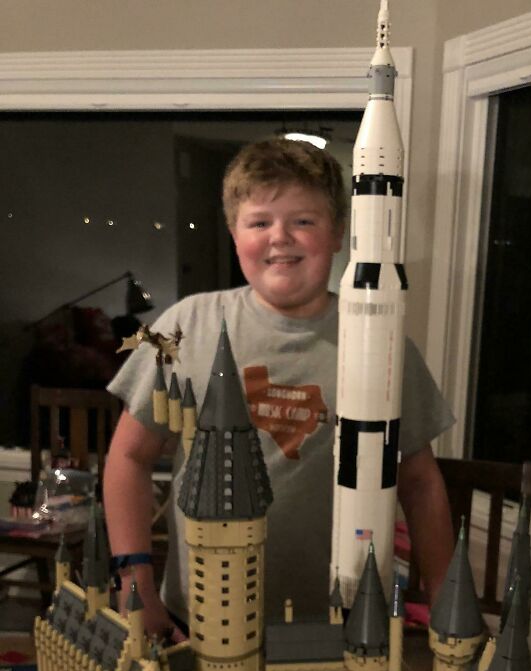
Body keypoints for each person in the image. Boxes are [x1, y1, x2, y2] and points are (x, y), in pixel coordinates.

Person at [104, 138, 455, 639]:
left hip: (340, 624)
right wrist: (134, 581)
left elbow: (420, 483)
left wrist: (446, 597)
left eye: (304, 221)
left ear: (337, 234)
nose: (280, 238)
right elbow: (129, 459)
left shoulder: (383, 342)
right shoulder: (185, 325)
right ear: (234, 232)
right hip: (199, 620)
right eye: (260, 221)